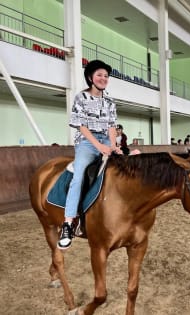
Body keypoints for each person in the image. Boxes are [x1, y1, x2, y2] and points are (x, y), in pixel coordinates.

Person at [58, 59, 122, 250]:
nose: (103, 78)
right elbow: (81, 126)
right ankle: (68, 223)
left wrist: (112, 145)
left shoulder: (110, 102)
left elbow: (111, 126)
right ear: (90, 78)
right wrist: (98, 146)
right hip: (87, 142)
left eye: (106, 76)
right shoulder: (81, 98)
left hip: (106, 141)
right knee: (79, 176)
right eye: (99, 75)